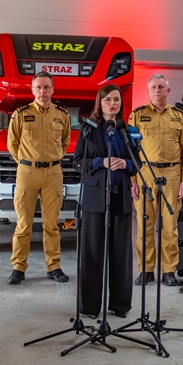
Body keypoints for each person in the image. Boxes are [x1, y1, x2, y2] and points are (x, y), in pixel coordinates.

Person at [73, 85, 136, 318]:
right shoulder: (88, 129)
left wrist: (126, 164)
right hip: (95, 198)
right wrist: (102, 162)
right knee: (92, 253)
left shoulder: (126, 130)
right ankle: (90, 307)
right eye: (108, 99)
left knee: (121, 254)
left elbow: (137, 163)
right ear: (100, 102)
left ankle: (120, 305)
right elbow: (77, 162)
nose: (112, 103)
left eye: (116, 99)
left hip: (121, 197)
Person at [129, 74, 183, 287]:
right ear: (149, 91)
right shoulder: (137, 116)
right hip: (144, 174)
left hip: (172, 175)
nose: (157, 90)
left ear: (168, 91)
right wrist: (132, 180)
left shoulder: (179, 117)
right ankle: (146, 270)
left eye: (161, 87)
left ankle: (168, 271)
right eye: (153, 87)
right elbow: (130, 151)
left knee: (170, 226)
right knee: (144, 225)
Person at [7, 71, 71, 285]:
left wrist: (55, 157)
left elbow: (65, 141)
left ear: (52, 89)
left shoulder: (62, 114)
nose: (42, 91)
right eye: (38, 87)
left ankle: (54, 267)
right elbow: (12, 143)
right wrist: (25, 162)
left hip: (53, 173)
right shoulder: (21, 114)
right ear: (32, 89)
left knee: (51, 224)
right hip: (27, 172)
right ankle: (18, 267)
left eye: (46, 87)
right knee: (23, 223)